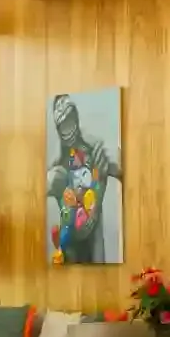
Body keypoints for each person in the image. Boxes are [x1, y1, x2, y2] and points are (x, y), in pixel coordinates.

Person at [47, 93, 123, 264]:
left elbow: (126, 172)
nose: (68, 128)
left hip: (94, 235)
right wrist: (49, 182)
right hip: (69, 241)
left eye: (70, 119)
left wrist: (118, 160)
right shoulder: (57, 163)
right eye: (63, 123)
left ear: (76, 117)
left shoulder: (94, 148)